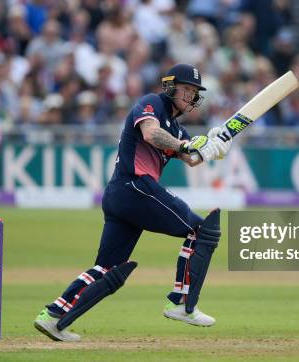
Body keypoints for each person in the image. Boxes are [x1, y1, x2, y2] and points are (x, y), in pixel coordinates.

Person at [34, 64, 233, 342]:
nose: (190, 96)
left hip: (122, 196)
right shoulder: (151, 104)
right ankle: (182, 303)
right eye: (186, 89)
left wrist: (214, 146)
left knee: (108, 268)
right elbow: (153, 135)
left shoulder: (176, 127)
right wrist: (187, 146)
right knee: (202, 231)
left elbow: (192, 157)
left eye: (194, 92)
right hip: (135, 187)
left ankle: (53, 316)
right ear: (171, 86)